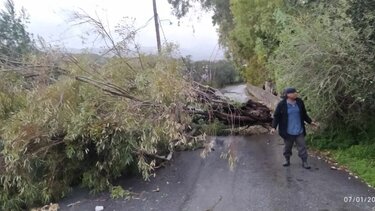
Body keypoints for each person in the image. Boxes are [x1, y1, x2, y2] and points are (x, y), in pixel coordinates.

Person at [270, 87, 318, 169]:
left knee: (302, 146)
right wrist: (273, 127)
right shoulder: (282, 105)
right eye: (294, 92)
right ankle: (287, 159)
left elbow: (304, 114)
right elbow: (276, 116)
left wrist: (310, 122)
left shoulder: (299, 102)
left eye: (296, 92)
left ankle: (305, 161)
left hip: (299, 130)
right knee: (287, 147)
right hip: (288, 131)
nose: (296, 93)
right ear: (288, 95)